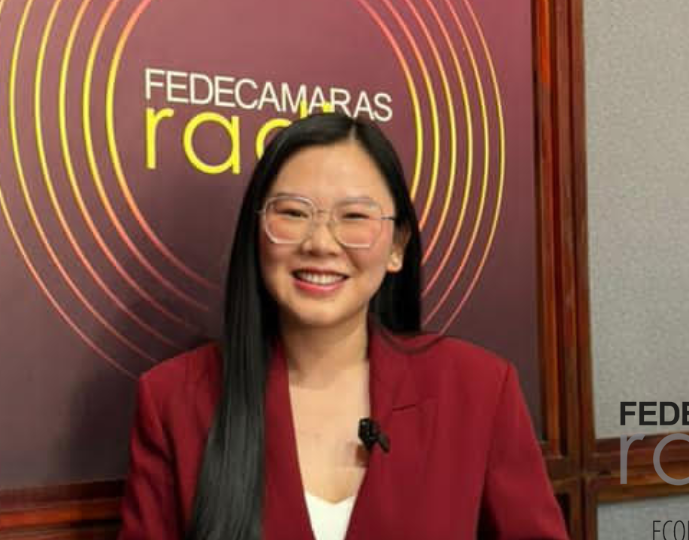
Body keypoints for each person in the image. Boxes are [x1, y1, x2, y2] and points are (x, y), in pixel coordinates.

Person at [117, 112, 570, 540]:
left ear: (397, 246)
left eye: (354, 216)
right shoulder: (174, 398)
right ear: (256, 233)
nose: (320, 243)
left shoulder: (478, 388)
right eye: (293, 213)